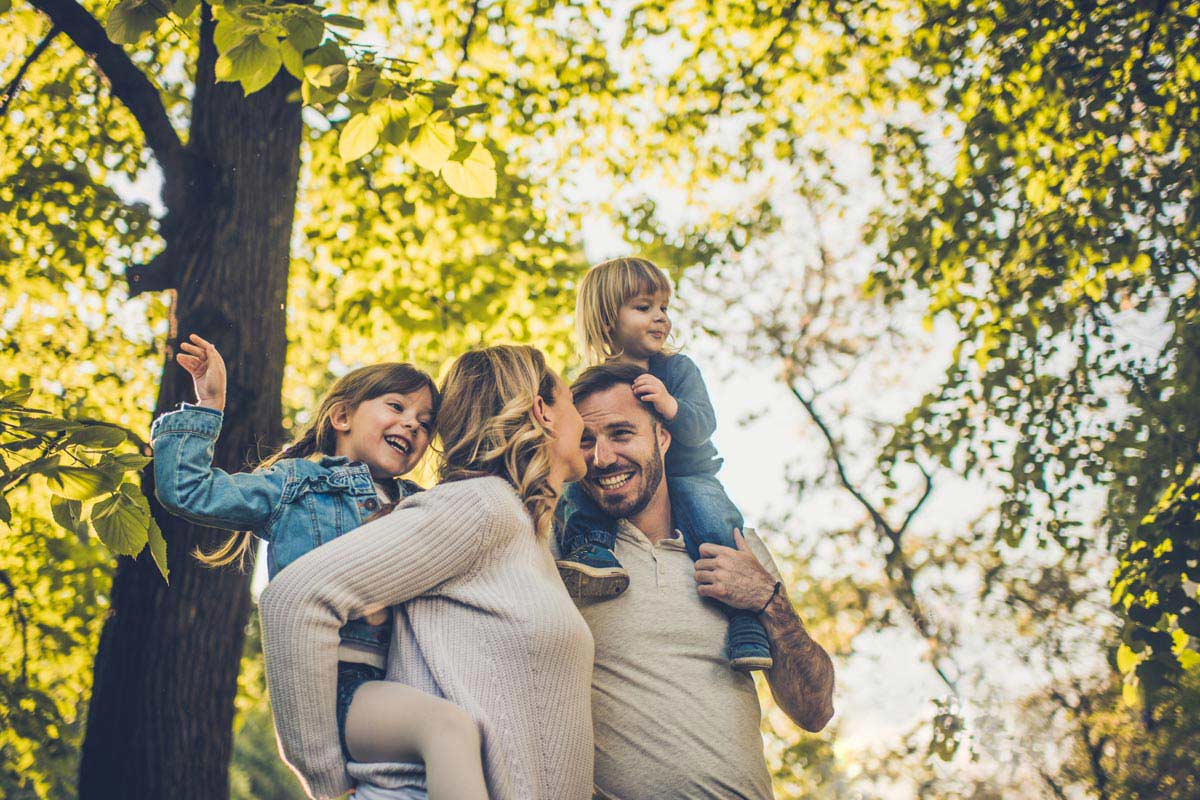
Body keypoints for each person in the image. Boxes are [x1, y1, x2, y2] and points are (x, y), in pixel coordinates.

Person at [150, 334, 487, 800]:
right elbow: (188, 490)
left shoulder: (421, 505)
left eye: (425, 423)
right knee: (448, 729)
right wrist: (209, 404)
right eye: (396, 407)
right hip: (339, 686)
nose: (411, 425)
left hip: (408, 678)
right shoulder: (299, 484)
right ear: (343, 415)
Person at [258, 345, 596, 800]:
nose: (586, 425)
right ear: (543, 411)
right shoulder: (481, 506)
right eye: (574, 404)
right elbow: (295, 598)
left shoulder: (525, 531)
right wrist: (326, 779)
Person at [564, 362, 836, 800]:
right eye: (586, 442)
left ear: (663, 437)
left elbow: (815, 709)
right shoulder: (568, 555)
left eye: (621, 434)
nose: (603, 457)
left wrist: (767, 599)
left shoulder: (734, 545)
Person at [555, 256, 773, 671]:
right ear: (606, 322)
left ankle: (745, 622)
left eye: (664, 308)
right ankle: (592, 552)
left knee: (713, 520)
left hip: (687, 473)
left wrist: (670, 406)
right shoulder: (592, 384)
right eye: (643, 308)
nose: (660, 318)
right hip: (624, 483)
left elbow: (703, 425)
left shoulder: (677, 370)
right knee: (575, 488)